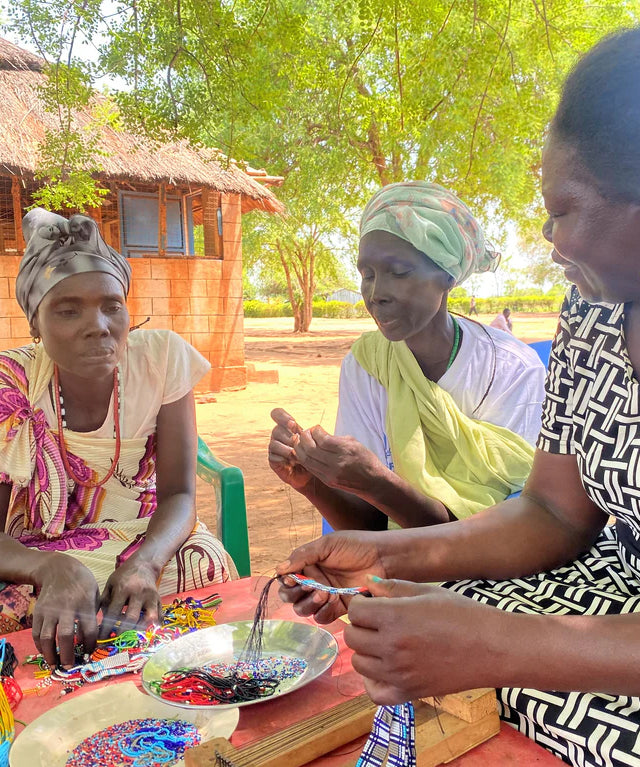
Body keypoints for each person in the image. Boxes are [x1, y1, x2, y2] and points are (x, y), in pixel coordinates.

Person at [277, 27, 640, 767]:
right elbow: (552, 512)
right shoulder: (594, 316)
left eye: (562, 208)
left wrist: (498, 642)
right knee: (403, 633)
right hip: (612, 586)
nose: (551, 241)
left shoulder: (507, 361)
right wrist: (387, 553)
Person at [0, 209, 236, 668]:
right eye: (68, 310)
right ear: (35, 323)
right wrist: (49, 568)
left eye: (111, 305)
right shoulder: (12, 384)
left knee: (203, 563)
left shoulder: (160, 359)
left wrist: (146, 562)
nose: (99, 325)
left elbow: (181, 494)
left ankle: (189, 688)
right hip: (38, 548)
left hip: (142, 531)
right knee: (14, 608)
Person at [269, 182, 545, 531]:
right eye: (366, 275)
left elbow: (509, 533)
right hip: (398, 567)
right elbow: (368, 527)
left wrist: (378, 482)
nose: (375, 293)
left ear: (446, 276)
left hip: (499, 573)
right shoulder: (368, 365)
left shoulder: (510, 370)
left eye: (398, 273)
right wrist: (310, 482)